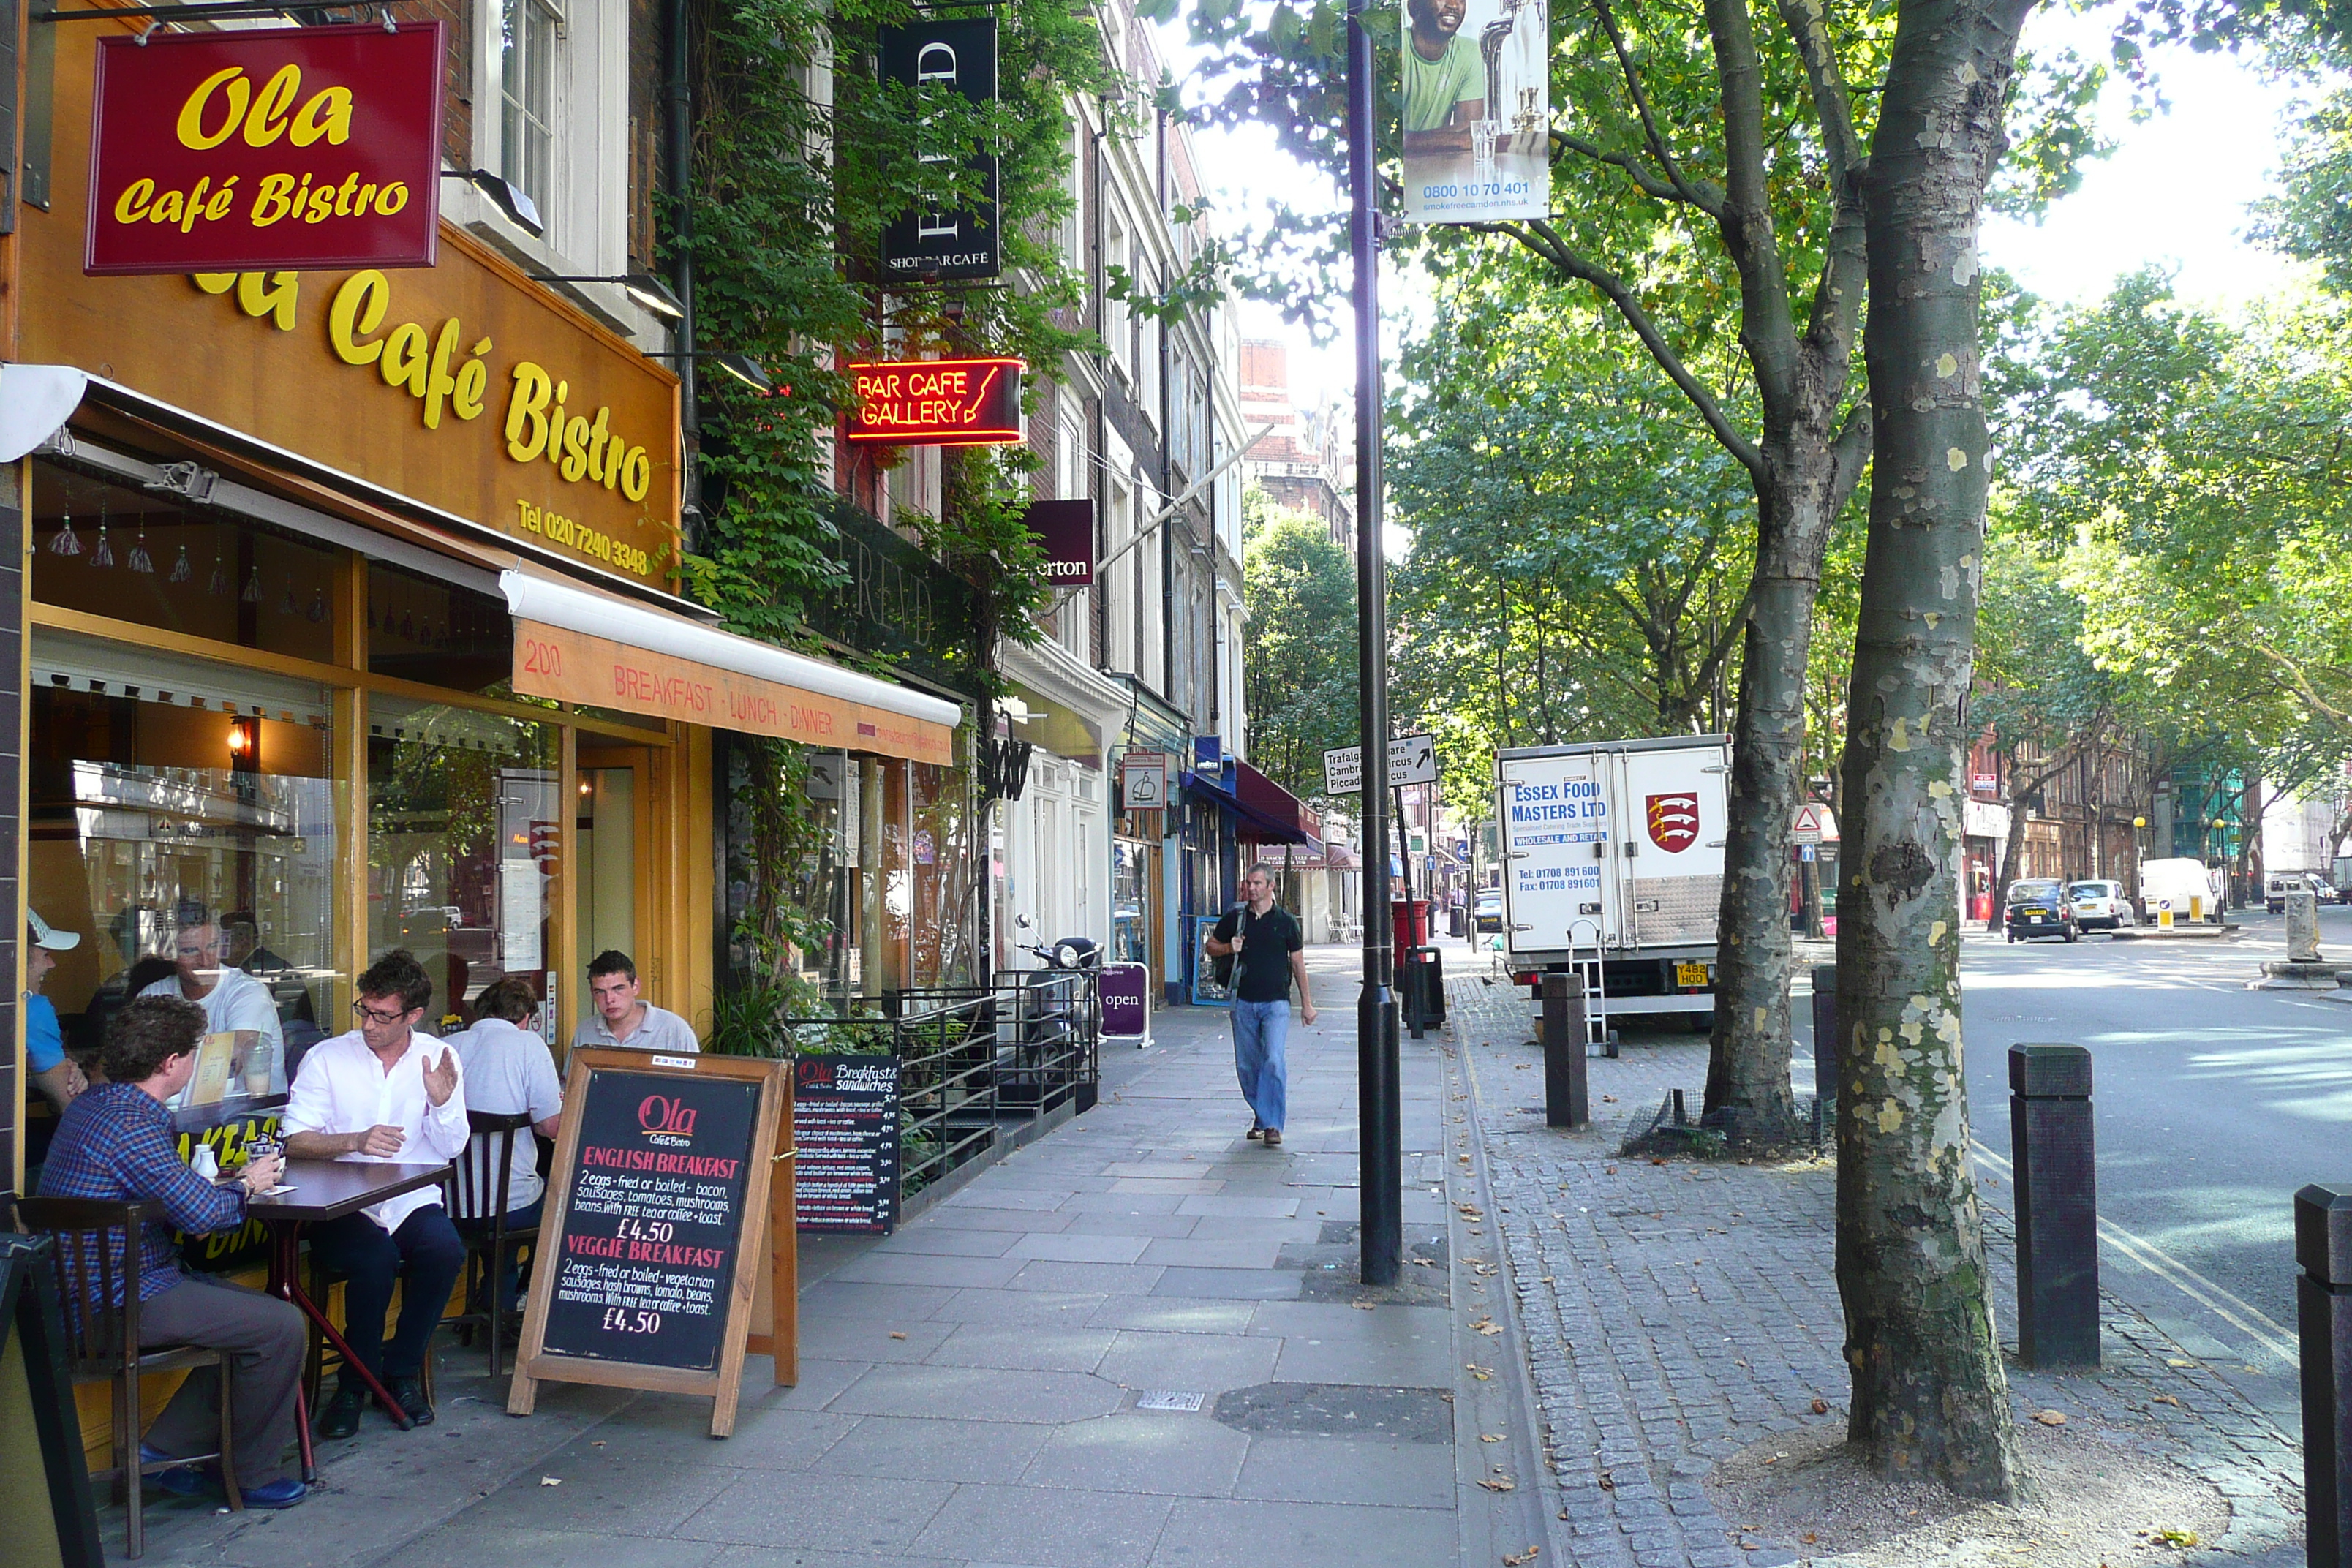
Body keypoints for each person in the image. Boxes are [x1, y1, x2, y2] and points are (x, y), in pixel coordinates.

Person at [36, 995, 307, 1508]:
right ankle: (249, 1474)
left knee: (244, 1318)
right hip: (111, 1305)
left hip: (94, 1293)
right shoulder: (134, 1122)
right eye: (193, 1053)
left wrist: (216, 1190)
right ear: (171, 1064)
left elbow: (171, 1192)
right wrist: (246, 1185)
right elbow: (202, 1216)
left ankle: (161, 1455)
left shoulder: (97, 1103)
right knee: (280, 1326)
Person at [280, 949, 467, 1438]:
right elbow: (294, 1139)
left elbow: (451, 1149)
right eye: (365, 1010)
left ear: (413, 1016)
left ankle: (400, 1370)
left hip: (410, 1198)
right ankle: (353, 1384)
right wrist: (353, 1140)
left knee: (445, 1251)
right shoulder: (326, 1057)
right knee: (374, 1260)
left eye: (384, 1016)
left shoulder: (439, 1059)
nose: (370, 1024)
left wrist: (442, 1104)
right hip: (341, 1204)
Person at [447, 976, 562, 1323]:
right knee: (565, 1206)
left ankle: (497, 1301)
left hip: (451, 1206)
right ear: (526, 1016)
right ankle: (525, 1309)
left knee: (505, 1199)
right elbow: (551, 1126)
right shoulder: (528, 1045)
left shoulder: (446, 1045)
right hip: (510, 1209)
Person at [1204, 864, 1317, 1147]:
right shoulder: (1236, 918)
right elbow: (1211, 946)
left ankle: (1273, 1125)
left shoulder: (1286, 921)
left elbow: (1298, 962)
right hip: (1243, 1002)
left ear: (1271, 886)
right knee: (1248, 1066)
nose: (1251, 888)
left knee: (1274, 1060)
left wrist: (1307, 1004)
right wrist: (1230, 947)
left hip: (1276, 1003)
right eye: (1249, 883)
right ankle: (1262, 1115)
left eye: (1257, 883)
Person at [139, 917, 286, 1098]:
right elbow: (133, 1061)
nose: (205, 961)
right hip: (175, 1114)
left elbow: (232, 1059)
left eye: (212, 947)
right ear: (169, 954)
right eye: (191, 951)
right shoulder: (155, 993)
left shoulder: (248, 992)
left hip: (245, 1117)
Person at [570, 949, 699, 1053]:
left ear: (635, 986)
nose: (609, 999)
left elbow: (694, 1082)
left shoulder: (673, 1029)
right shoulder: (585, 1031)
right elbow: (572, 1082)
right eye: (600, 992)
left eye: (618, 989)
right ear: (592, 993)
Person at [1401, 0, 1485, 152]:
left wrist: (1413, 140)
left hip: (1438, 167)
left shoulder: (1469, 53)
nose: (1453, 5)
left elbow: (1469, 135)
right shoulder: (1396, 48)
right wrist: (1445, 139)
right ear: (1414, 5)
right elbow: (1387, 139)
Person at [26, 909, 88, 1111]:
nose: (52, 964)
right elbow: (71, 1105)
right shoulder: (31, 1009)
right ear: (18, 958)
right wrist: (77, 1082)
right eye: (45, 954)